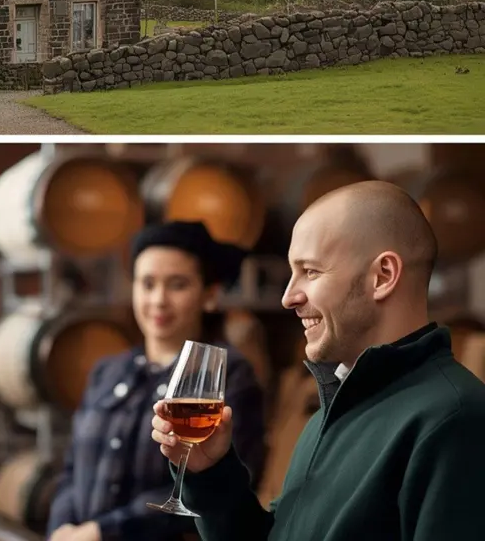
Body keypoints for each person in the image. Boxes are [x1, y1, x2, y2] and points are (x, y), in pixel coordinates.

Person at [150, 181, 485, 541]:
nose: (288, 297)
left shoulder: (456, 420)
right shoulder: (332, 411)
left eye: (310, 271)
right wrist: (211, 472)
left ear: (383, 276)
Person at [48, 221, 267, 541]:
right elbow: (71, 470)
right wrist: (63, 528)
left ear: (209, 295)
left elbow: (231, 482)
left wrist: (101, 532)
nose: (158, 300)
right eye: (147, 283)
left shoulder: (230, 373)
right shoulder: (107, 371)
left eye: (177, 285)